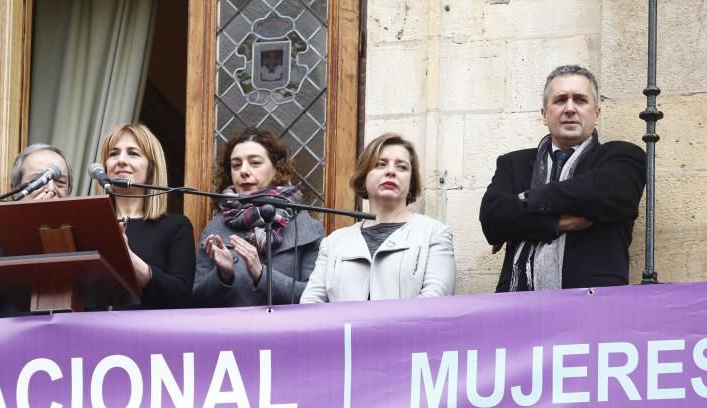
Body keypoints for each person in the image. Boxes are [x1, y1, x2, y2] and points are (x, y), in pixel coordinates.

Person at [480, 64, 646, 291]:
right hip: (517, 304)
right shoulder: (514, 163)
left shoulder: (621, 157)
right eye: (560, 100)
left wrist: (522, 203)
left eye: (580, 100)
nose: (570, 108)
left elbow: (606, 193)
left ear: (596, 114)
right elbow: (491, 217)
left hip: (593, 304)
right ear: (544, 114)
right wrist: (554, 223)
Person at [300, 133, 455, 302]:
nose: (390, 172)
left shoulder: (434, 234)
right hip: (343, 329)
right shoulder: (334, 242)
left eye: (402, 167)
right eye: (380, 165)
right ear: (364, 176)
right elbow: (311, 304)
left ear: (411, 182)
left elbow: (435, 301)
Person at [193, 128, 324, 307]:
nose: (244, 171)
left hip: (285, 332)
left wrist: (262, 274)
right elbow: (195, 302)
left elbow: (316, 299)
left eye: (255, 163)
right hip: (230, 332)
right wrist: (223, 276)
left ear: (277, 170)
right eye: (236, 165)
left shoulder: (307, 227)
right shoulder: (216, 228)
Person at [0, 143, 72, 318]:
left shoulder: (80, 230)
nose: (51, 188)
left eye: (60, 182)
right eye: (39, 180)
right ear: (15, 189)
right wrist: (27, 228)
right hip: (6, 338)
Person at [99, 123, 195, 308]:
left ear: (151, 168)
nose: (121, 160)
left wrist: (130, 260)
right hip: (90, 333)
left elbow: (181, 297)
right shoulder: (90, 224)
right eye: (113, 154)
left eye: (133, 153)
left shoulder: (176, 226)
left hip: (148, 334)